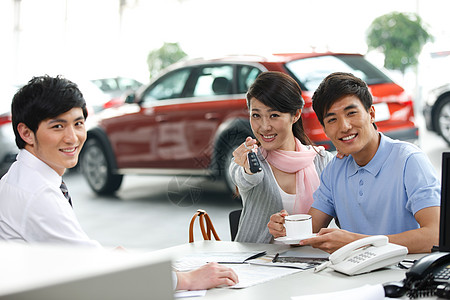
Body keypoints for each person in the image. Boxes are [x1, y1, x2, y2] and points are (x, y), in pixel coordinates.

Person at [0, 75, 238, 290]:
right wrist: (187, 280)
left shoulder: (22, 177)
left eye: (78, 123)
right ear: (26, 133)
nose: (72, 137)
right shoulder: (38, 193)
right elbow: (92, 266)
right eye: (58, 126)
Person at [268, 72, 440, 254]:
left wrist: (357, 242)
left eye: (351, 113)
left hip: (404, 276)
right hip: (353, 275)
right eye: (332, 119)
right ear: (325, 129)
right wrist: (285, 229)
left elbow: (435, 235)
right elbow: (309, 232)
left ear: (371, 114)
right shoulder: (335, 169)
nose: (344, 126)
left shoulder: (410, 161)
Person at [229, 71, 334, 243]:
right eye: (256, 115)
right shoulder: (247, 160)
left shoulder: (322, 160)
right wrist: (248, 167)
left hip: (313, 261)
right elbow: (244, 177)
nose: (264, 126)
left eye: (274, 115)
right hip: (257, 263)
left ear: (296, 115)